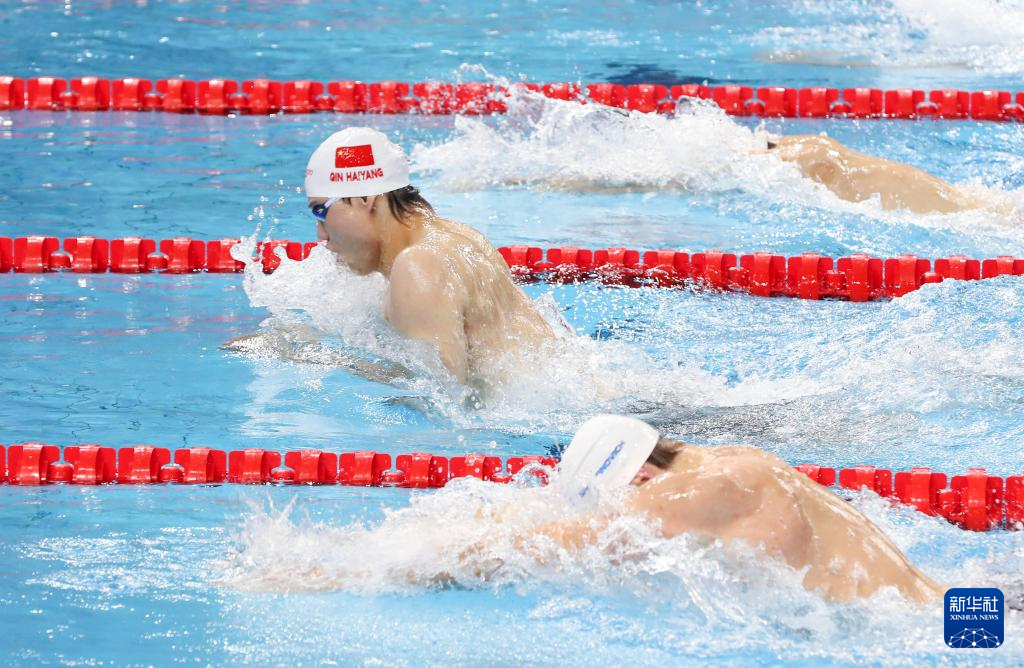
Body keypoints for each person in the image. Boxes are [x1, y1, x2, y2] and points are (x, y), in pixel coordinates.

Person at [233, 127, 555, 388]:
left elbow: (443, 396)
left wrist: (310, 356)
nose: (321, 235)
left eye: (321, 211)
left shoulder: (417, 266)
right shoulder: (457, 236)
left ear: (365, 198)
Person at [529, 415, 944, 603]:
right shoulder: (730, 461)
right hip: (952, 613)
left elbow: (564, 544)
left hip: (934, 635)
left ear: (641, 477)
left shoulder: (690, 490)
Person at [765, 134, 982, 214]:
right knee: (972, 205)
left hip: (914, 189)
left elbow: (758, 152)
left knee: (970, 209)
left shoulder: (810, 155)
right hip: (913, 182)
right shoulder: (817, 145)